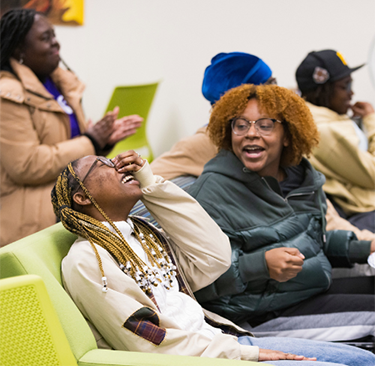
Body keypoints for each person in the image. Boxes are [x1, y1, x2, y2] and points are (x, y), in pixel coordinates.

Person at [51, 150, 375, 365]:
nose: (116, 164)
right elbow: (149, 342)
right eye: (101, 165)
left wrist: (151, 183)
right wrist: (248, 354)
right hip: (211, 357)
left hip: (224, 341)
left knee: (363, 360)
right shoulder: (87, 260)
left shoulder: (143, 235)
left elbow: (214, 257)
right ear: (81, 196)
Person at [150, 51, 375, 277]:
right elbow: (147, 178)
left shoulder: (283, 139)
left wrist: (367, 244)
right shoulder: (205, 146)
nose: (283, 91)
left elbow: (320, 218)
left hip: (311, 253)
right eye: (271, 85)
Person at [188, 83, 375, 342]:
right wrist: (261, 265)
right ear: (228, 134)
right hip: (259, 316)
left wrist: (365, 248)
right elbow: (195, 280)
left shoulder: (301, 180)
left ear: (288, 135)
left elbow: (311, 243)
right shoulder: (211, 193)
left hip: (309, 290)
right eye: (241, 125)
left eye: (265, 125)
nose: (251, 133)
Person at [0, 8, 143, 246]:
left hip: (69, 197)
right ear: (19, 49)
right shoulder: (8, 95)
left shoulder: (59, 83)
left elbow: (71, 143)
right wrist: (91, 140)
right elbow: (26, 165)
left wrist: (102, 142)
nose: (56, 43)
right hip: (32, 216)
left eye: (54, 35)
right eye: (45, 38)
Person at [296, 49, 375, 234]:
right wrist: (371, 120)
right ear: (323, 90)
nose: (351, 93)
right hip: (362, 215)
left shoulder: (324, 119)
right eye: (345, 86)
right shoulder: (324, 131)